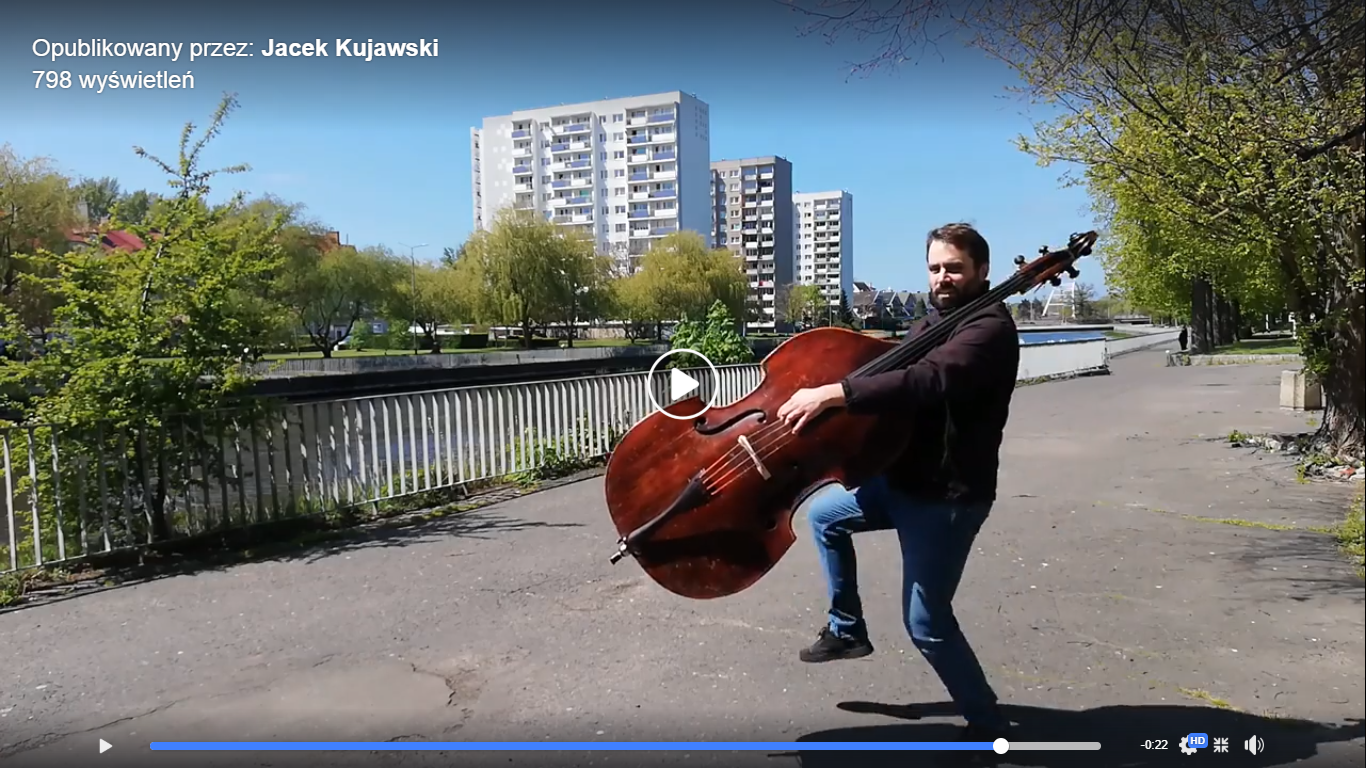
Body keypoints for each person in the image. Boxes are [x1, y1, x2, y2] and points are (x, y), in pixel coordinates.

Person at [775, 222, 1019, 742]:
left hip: (947, 496)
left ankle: (988, 725)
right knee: (824, 517)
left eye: (954, 267)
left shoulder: (989, 330)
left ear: (982, 271)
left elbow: (929, 379)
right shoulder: (934, 322)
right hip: (902, 482)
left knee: (927, 623)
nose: (943, 277)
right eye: (935, 268)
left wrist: (835, 392)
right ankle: (847, 630)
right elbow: (898, 368)